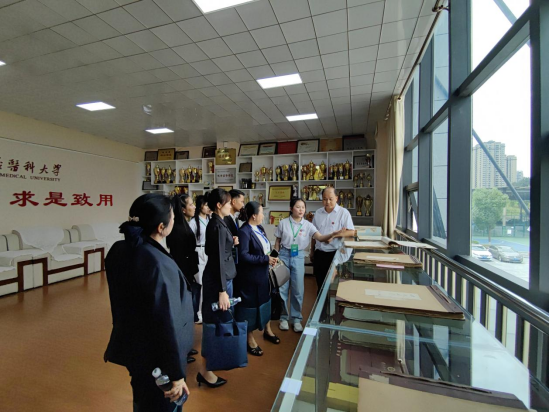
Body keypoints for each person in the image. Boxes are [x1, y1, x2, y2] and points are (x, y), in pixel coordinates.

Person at [104, 193, 193, 412]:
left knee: (143, 400)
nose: (175, 219)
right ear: (161, 227)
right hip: (158, 357)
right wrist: (176, 374)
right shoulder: (157, 263)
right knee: (161, 405)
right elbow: (166, 321)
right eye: (173, 217)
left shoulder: (119, 250)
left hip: (134, 347)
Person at [274, 197, 346, 332]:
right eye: (298, 207)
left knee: (298, 289)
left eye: (303, 207)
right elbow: (277, 242)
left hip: (298, 256)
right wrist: (274, 257)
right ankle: (283, 318)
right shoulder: (283, 223)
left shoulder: (308, 225)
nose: (301, 210)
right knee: (282, 289)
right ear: (291, 209)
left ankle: (296, 319)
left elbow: (320, 237)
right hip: (283, 255)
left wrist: (333, 234)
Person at [198, 188, 239, 388]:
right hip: (218, 283)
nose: (231, 206)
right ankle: (207, 371)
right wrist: (222, 291)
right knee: (213, 324)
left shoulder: (220, 222)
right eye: (228, 203)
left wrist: (231, 243)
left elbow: (213, 250)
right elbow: (218, 261)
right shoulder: (216, 226)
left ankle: (212, 365)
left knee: (219, 322)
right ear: (219, 205)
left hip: (221, 280)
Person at [236, 201, 280, 356]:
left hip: (263, 274)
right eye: (261, 212)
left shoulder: (260, 228)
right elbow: (243, 256)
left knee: (265, 301)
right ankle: (250, 339)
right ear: (254, 215)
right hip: (250, 277)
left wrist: (271, 257)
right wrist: (265, 259)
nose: (263, 215)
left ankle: (267, 330)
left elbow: (265, 248)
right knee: (250, 307)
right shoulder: (244, 231)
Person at [166, 194, 200, 364]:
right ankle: (180, 349)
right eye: (191, 204)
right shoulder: (178, 229)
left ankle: (185, 346)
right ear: (183, 209)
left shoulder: (184, 224)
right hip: (183, 274)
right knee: (181, 313)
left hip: (187, 273)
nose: (194, 207)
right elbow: (181, 257)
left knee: (187, 312)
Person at [311, 187, 356, 293]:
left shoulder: (343, 213)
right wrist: (312, 251)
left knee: (333, 287)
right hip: (319, 254)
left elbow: (352, 232)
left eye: (330, 199)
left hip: (334, 255)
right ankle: (321, 303)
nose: (327, 202)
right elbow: (313, 233)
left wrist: (335, 236)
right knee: (320, 286)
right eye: (325, 199)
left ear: (336, 198)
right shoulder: (318, 213)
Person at [188, 195, 210, 324]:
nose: (208, 207)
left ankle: (204, 311)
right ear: (200, 206)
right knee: (200, 283)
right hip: (198, 251)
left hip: (208, 252)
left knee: (207, 283)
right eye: (206, 205)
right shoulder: (193, 222)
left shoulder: (209, 219)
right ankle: (198, 313)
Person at [224, 189, 246, 264]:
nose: (243, 205)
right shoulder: (225, 219)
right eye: (242, 202)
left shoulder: (235, 218)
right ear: (233, 201)